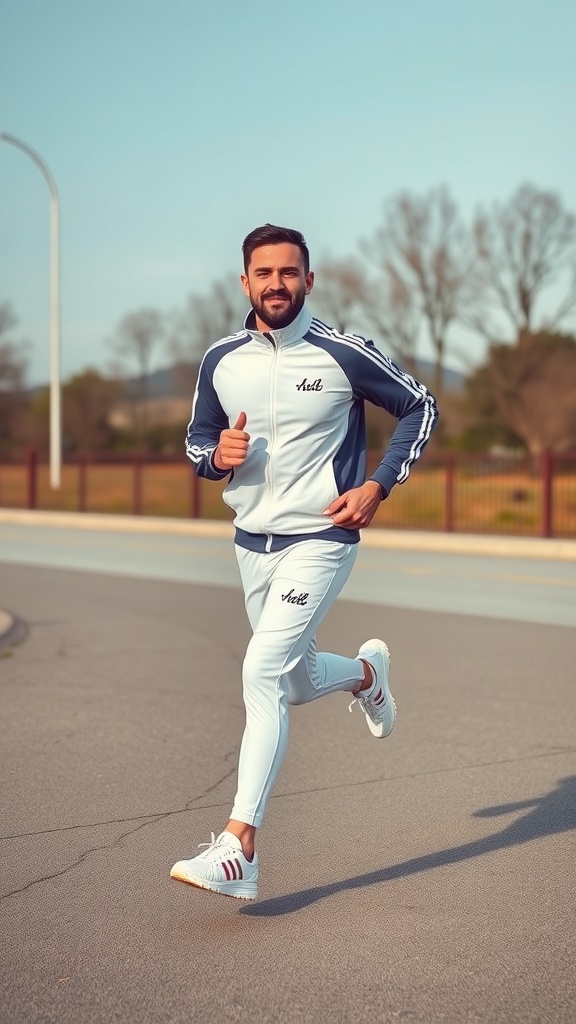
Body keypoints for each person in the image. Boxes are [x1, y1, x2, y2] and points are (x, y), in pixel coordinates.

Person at [170, 223, 438, 900]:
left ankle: (239, 849)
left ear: (309, 281)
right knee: (291, 681)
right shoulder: (221, 359)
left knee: (261, 671)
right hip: (251, 545)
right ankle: (368, 676)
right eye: (264, 274)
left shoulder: (343, 354)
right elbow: (199, 441)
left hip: (322, 539)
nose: (277, 284)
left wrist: (377, 485)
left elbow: (419, 406)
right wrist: (215, 460)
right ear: (245, 283)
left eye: (290, 273)